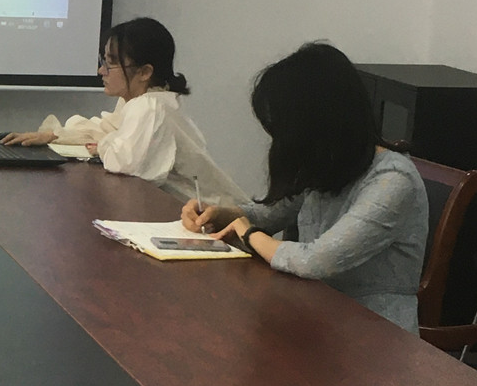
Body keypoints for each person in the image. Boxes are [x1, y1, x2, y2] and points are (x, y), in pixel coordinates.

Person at [181, 41, 428, 331]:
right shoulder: (330, 165)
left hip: (375, 333)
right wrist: (221, 214)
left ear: (317, 124)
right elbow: (271, 215)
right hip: (313, 313)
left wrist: (247, 233)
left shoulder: (394, 180)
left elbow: (315, 261)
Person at [2, 17, 246, 208]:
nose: (101, 71)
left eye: (110, 63)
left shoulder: (150, 107)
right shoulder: (143, 100)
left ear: (144, 72)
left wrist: (103, 145)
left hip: (222, 225)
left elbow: (126, 164)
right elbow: (104, 130)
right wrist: (54, 135)